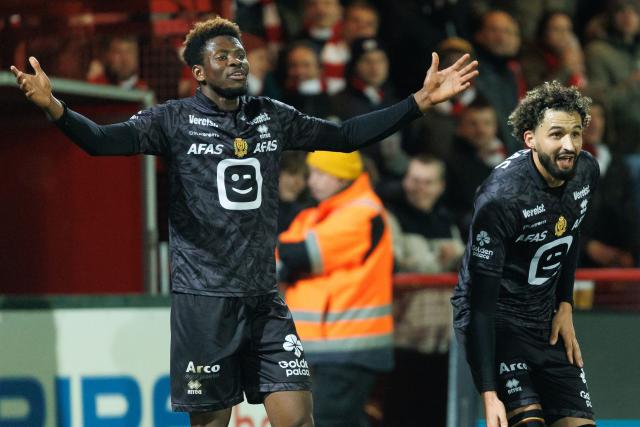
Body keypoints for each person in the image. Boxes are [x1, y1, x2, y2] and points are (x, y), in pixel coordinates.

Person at [11, 15, 478, 427]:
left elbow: (344, 136)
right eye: (223, 56)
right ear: (198, 71)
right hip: (204, 301)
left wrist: (417, 101)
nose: (237, 62)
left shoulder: (270, 116)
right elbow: (101, 142)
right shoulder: (172, 120)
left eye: (240, 54)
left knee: (296, 417)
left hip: (263, 299)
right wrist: (55, 108)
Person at [451, 81, 598, 427]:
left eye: (576, 134)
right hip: (498, 322)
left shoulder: (586, 171)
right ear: (530, 138)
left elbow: (570, 229)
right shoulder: (501, 199)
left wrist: (565, 304)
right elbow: (481, 305)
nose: (569, 145)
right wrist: (489, 394)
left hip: (545, 318)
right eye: (557, 134)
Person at [278, 150, 393, 427]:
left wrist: (288, 259)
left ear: (342, 178)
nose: (311, 181)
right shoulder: (315, 215)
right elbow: (279, 259)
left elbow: (299, 254)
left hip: (349, 345)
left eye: (319, 174)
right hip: (320, 345)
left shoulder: (363, 211)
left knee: (329, 420)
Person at [383, 155, 464, 427]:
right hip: (405, 339)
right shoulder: (390, 217)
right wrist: (439, 260)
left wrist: (459, 256)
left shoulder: (447, 222)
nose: (419, 187)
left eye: (427, 182)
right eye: (414, 180)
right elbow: (392, 264)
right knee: (402, 415)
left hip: (444, 341)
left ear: (440, 187)